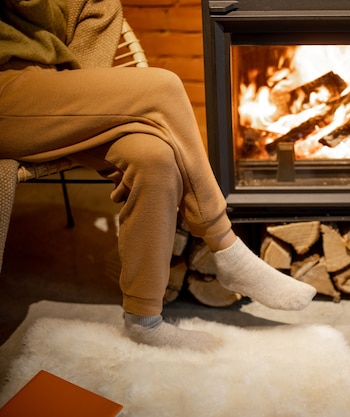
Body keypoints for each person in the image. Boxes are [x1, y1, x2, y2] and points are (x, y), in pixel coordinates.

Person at [0, 0, 317, 351]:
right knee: (163, 87)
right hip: (7, 93)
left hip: (54, 95)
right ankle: (226, 248)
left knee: (155, 156)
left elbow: (86, 56)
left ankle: (143, 320)